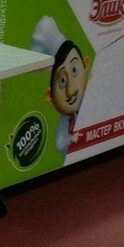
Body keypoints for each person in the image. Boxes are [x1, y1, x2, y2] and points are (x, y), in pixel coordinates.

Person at [31, 16, 91, 156]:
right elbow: (59, 145)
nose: (71, 90)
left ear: (85, 64)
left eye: (75, 70)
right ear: (50, 95)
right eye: (62, 81)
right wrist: (71, 139)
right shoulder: (65, 120)